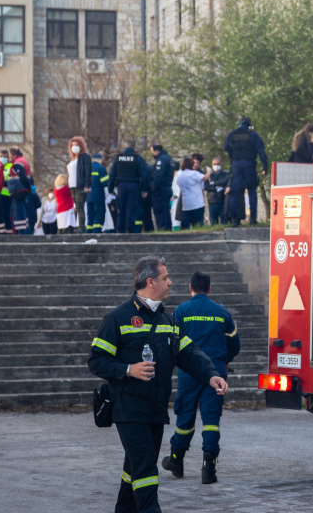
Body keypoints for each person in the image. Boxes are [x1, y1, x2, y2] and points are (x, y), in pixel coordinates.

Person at [87, 256, 228, 513]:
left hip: (156, 409)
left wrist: (211, 374)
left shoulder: (168, 321)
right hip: (129, 409)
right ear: (150, 282)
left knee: (135, 468)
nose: (170, 282)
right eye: (165, 278)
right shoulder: (117, 318)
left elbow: (190, 353)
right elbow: (96, 361)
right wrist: (128, 369)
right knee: (146, 471)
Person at [162, 272, 241, 483]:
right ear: (209, 289)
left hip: (189, 374)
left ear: (190, 288)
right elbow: (235, 344)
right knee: (211, 421)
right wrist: (224, 360)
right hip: (216, 374)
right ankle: (209, 470)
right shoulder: (222, 312)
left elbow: (172, 341)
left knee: (184, 419)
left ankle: (177, 461)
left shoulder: (181, 311)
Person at [223, 117, 268, 227]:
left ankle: (234, 220)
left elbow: (225, 147)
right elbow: (261, 151)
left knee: (235, 192)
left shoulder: (232, 134)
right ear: (249, 124)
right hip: (249, 165)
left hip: (236, 165)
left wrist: (233, 156)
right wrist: (265, 165)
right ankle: (252, 219)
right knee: (252, 191)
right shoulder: (253, 135)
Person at [110, 140, 151, 234]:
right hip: (134, 186)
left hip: (121, 186)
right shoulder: (138, 158)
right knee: (131, 208)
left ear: (125, 146)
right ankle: (129, 228)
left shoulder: (118, 158)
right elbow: (144, 175)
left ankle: (120, 229)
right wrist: (144, 189)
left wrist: (110, 188)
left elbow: (112, 174)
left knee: (121, 208)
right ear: (134, 146)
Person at [5, 146, 34, 235]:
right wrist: (30, 187)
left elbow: (22, 177)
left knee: (18, 213)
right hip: (22, 191)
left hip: (17, 191)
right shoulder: (24, 161)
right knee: (22, 213)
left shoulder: (17, 163)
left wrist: (28, 187)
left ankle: (21, 233)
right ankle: (23, 231)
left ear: (12, 154)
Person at [173, 157, 207, 230]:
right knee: (198, 222)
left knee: (186, 222)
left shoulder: (180, 175)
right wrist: (209, 171)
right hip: (197, 202)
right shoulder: (194, 173)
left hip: (186, 203)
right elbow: (205, 178)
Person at [67, 136, 92, 233]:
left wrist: (86, 185)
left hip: (80, 186)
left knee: (80, 206)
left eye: (76, 145)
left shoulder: (85, 157)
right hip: (71, 186)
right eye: (72, 145)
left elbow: (87, 172)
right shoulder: (72, 158)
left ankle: (81, 227)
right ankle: (76, 226)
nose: (74, 147)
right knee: (75, 207)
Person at [149, 144, 176, 232]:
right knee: (165, 211)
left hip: (160, 190)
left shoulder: (161, 160)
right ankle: (167, 229)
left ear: (157, 151)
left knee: (160, 211)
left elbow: (159, 176)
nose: (152, 154)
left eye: (152, 152)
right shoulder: (169, 159)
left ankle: (162, 230)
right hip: (167, 187)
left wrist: (153, 188)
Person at [86, 153, 109, 233]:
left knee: (90, 216)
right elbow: (105, 183)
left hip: (88, 197)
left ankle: (88, 232)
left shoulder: (87, 168)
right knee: (99, 214)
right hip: (98, 196)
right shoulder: (101, 168)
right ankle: (96, 232)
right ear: (101, 160)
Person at [204, 158, 230, 225]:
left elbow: (226, 183)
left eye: (218, 164)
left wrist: (214, 183)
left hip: (223, 200)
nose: (216, 166)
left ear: (221, 164)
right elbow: (206, 186)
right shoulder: (209, 175)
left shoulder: (226, 173)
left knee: (224, 222)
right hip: (212, 200)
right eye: (214, 164)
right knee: (213, 222)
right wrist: (217, 187)